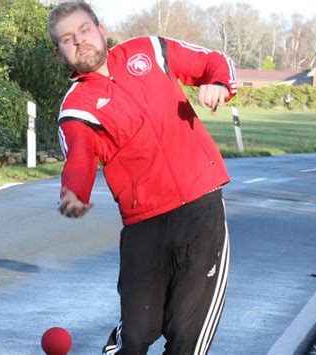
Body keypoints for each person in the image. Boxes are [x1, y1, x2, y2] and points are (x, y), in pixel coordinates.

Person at [48, 2, 237, 354]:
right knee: (135, 337)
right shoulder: (76, 108)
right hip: (144, 227)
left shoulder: (149, 50)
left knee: (187, 336)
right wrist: (75, 191)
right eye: (68, 39)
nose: (80, 42)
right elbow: (79, 158)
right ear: (60, 53)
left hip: (201, 209)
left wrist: (218, 83)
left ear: (101, 31)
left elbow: (212, 61)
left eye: (84, 31)